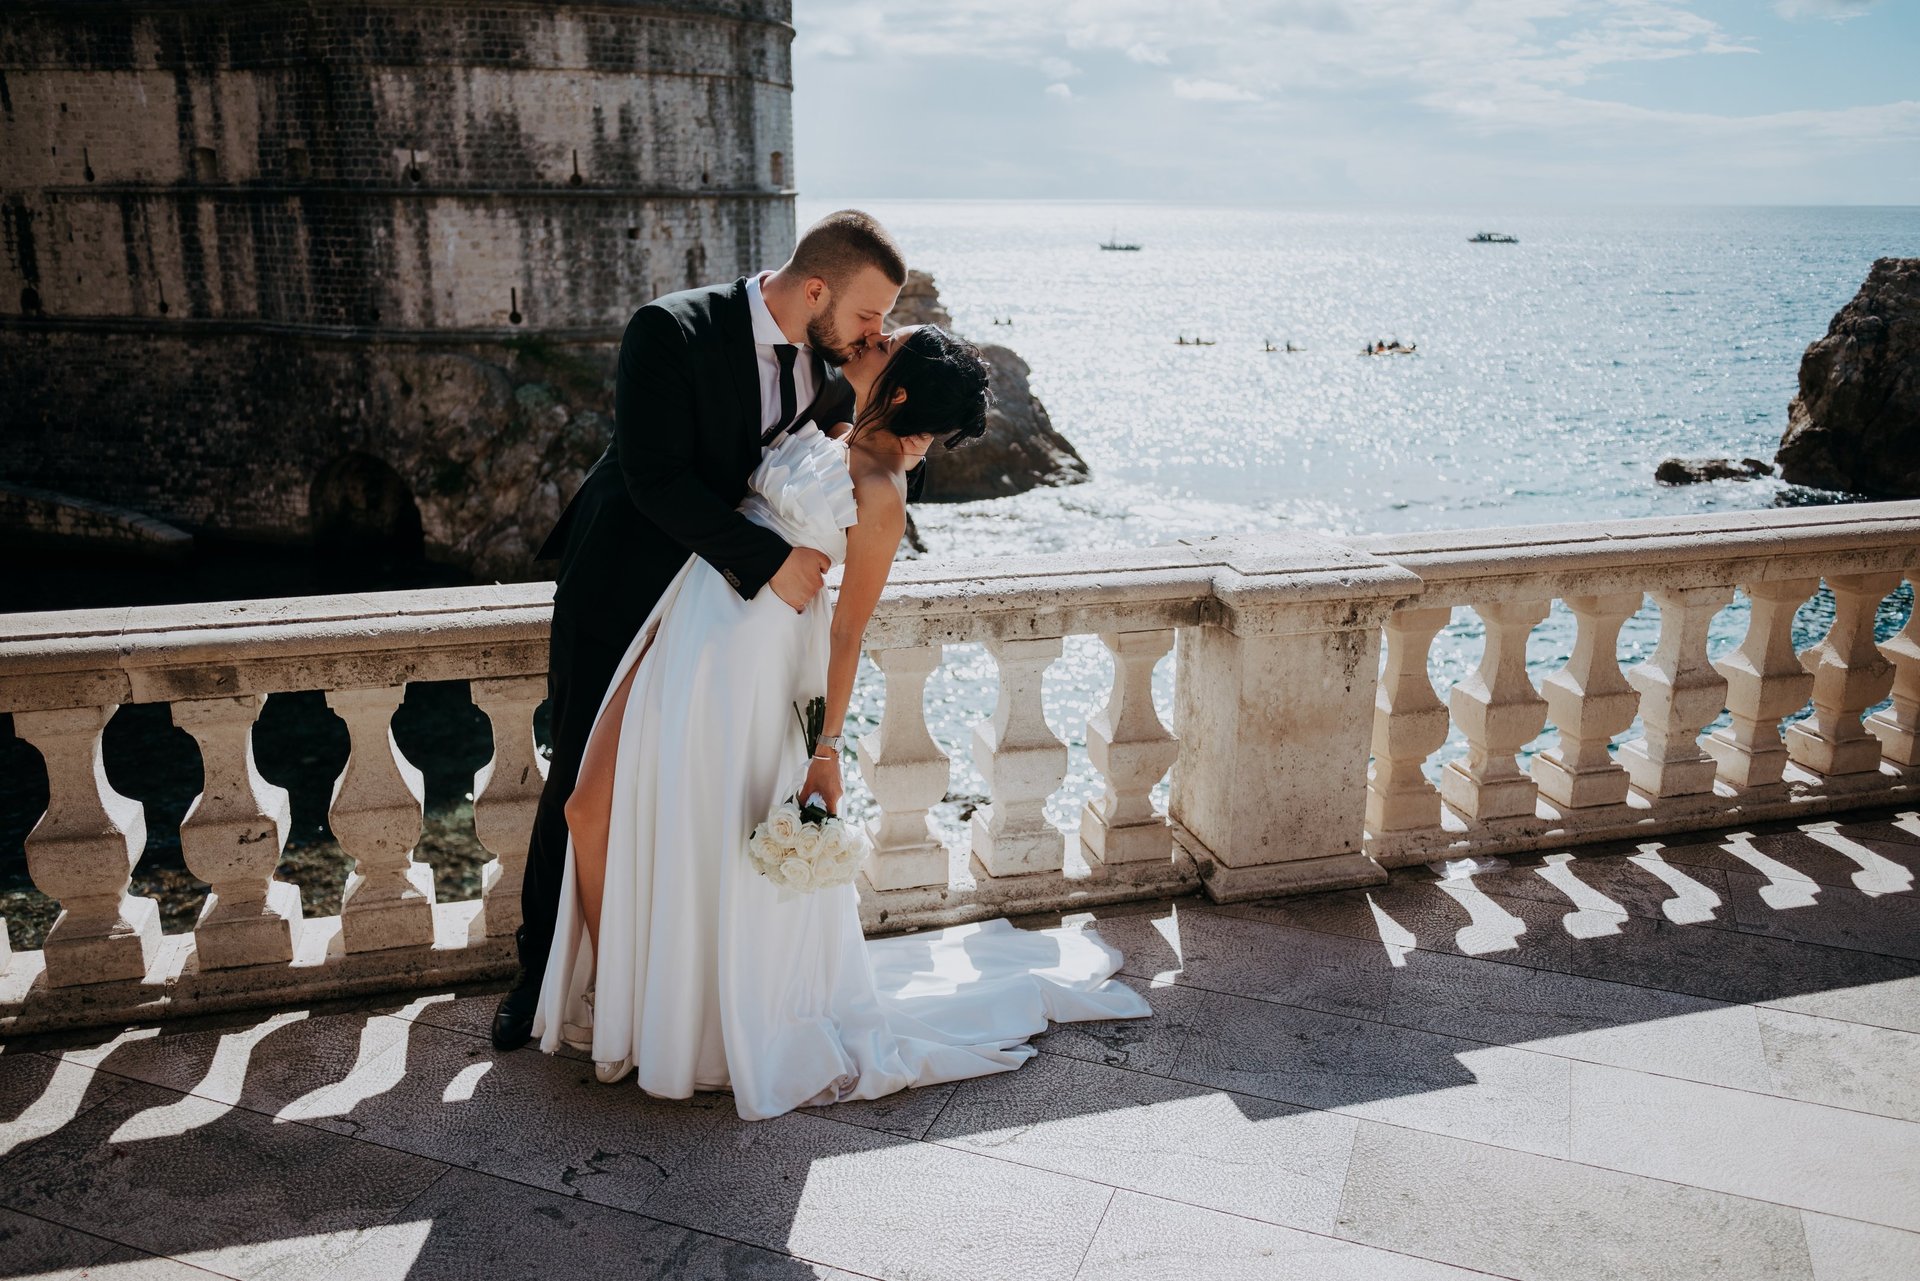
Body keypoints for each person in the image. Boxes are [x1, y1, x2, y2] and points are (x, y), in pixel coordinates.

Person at [531, 324, 1150, 1119]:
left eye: (889, 342)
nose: (874, 335)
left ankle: (666, 1020)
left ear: (896, 390)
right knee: (591, 804)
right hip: (682, 628)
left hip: (749, 671)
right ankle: (634, 998)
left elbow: (848, 631)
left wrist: (827, 749)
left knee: (701, 839)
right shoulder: (824, 423)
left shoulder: (883, 492)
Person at [491, 210, 908, 1052]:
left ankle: (670, 979)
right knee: (579, 773)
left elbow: (847, 468)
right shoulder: (670, 329)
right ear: (817, 288)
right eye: (868, 316)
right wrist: (770, 562)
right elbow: (655, 480)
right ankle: (536, 974)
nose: (875, 332)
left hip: (715, 624)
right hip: (622, 584)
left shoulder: (825, 368)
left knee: (680, 792)